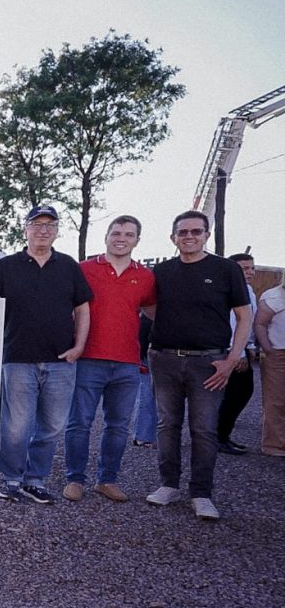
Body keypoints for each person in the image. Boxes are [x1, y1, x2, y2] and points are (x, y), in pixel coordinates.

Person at [0, 204, 92, 505]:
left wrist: (79, 347)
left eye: (50, 225)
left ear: (57, 231)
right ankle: (11, 480)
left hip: (61, 361)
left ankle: (35, 480)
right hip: (18, 359)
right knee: (16, 426)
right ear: (25, 230)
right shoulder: (7, 266)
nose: (43, 230)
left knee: (52, 425)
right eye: (37, 224)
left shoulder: (68, 266)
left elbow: (83, 307)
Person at [146, 210, 251, 520]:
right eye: (183, 232)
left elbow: (245, 317)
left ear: (206, 234)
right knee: (167, 426)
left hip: (209, 362)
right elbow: (151, 309)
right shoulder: (161, 272)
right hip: (164, 358)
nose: (189, 237)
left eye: (195, 231)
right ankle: (168, 485)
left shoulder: (226, 269)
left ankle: (201, 493)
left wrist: (232, 359)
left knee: (204, 429)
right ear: (173, 237)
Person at [62, 216, 155, 503]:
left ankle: (107, 479)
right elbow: (67, 308)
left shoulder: (147, 276)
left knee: (118, 426)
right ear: (106, 236)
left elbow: (154, 312)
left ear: (137, 240)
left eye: (129, 234)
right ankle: (75, 479)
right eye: (116, 233)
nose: (121, 238)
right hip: (89, 357)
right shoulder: (84, 270)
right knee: (80, 422)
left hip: (127, 362)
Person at [216, 253, 258, 454]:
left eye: (251, 268)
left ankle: (223, 435)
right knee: (235, 394)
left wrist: (250, 347)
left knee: (241, 393)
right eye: (244, 268)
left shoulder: (249, 291)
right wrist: (237, 353)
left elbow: (250, 323)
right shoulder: (227, 291)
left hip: (243, 349)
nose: (249, 272)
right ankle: (218, 437)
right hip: (230, 351)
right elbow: (233, 324)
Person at [254, 273, 285, 457]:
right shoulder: (274, 297)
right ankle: (274, 445)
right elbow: (260, 324)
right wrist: (268, 349)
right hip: (279, 353)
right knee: (276, 400)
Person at [131, 314, 157, 448]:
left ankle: (145, 435)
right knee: (147, 392)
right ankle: (143, 435)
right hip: (149, 349)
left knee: (147, 392)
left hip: (146, 348)